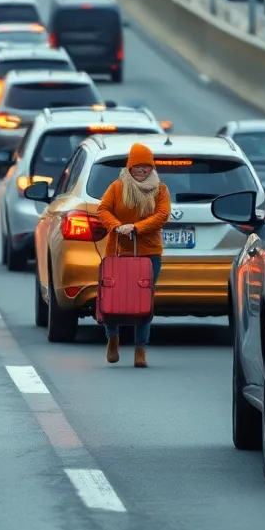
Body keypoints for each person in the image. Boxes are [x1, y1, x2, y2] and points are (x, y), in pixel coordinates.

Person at [95, 142, 171, 368]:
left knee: (143, 300)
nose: (142, 170)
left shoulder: (160, 189)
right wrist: (117, 226)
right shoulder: (117, 187)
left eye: (147, 166)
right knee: (112, 296)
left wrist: (136, 228)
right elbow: (103, 210)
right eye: (138, 166)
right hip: (118, 251)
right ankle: (112, 338)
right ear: (129, 167)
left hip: (149, 253)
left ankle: (140, 348)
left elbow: (162, 215)